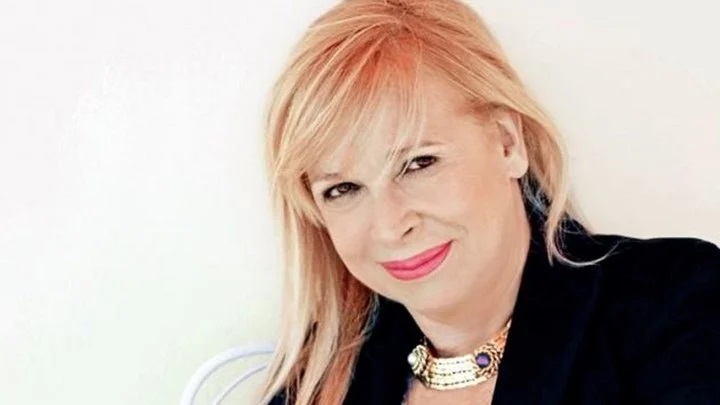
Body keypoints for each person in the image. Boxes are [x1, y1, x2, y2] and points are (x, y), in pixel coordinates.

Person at [256, 0, 720, 403]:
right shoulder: (314, 382)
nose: (390, 225)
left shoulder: (674, 304)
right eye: (343, 189)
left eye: (419, 163)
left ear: (507, 143)